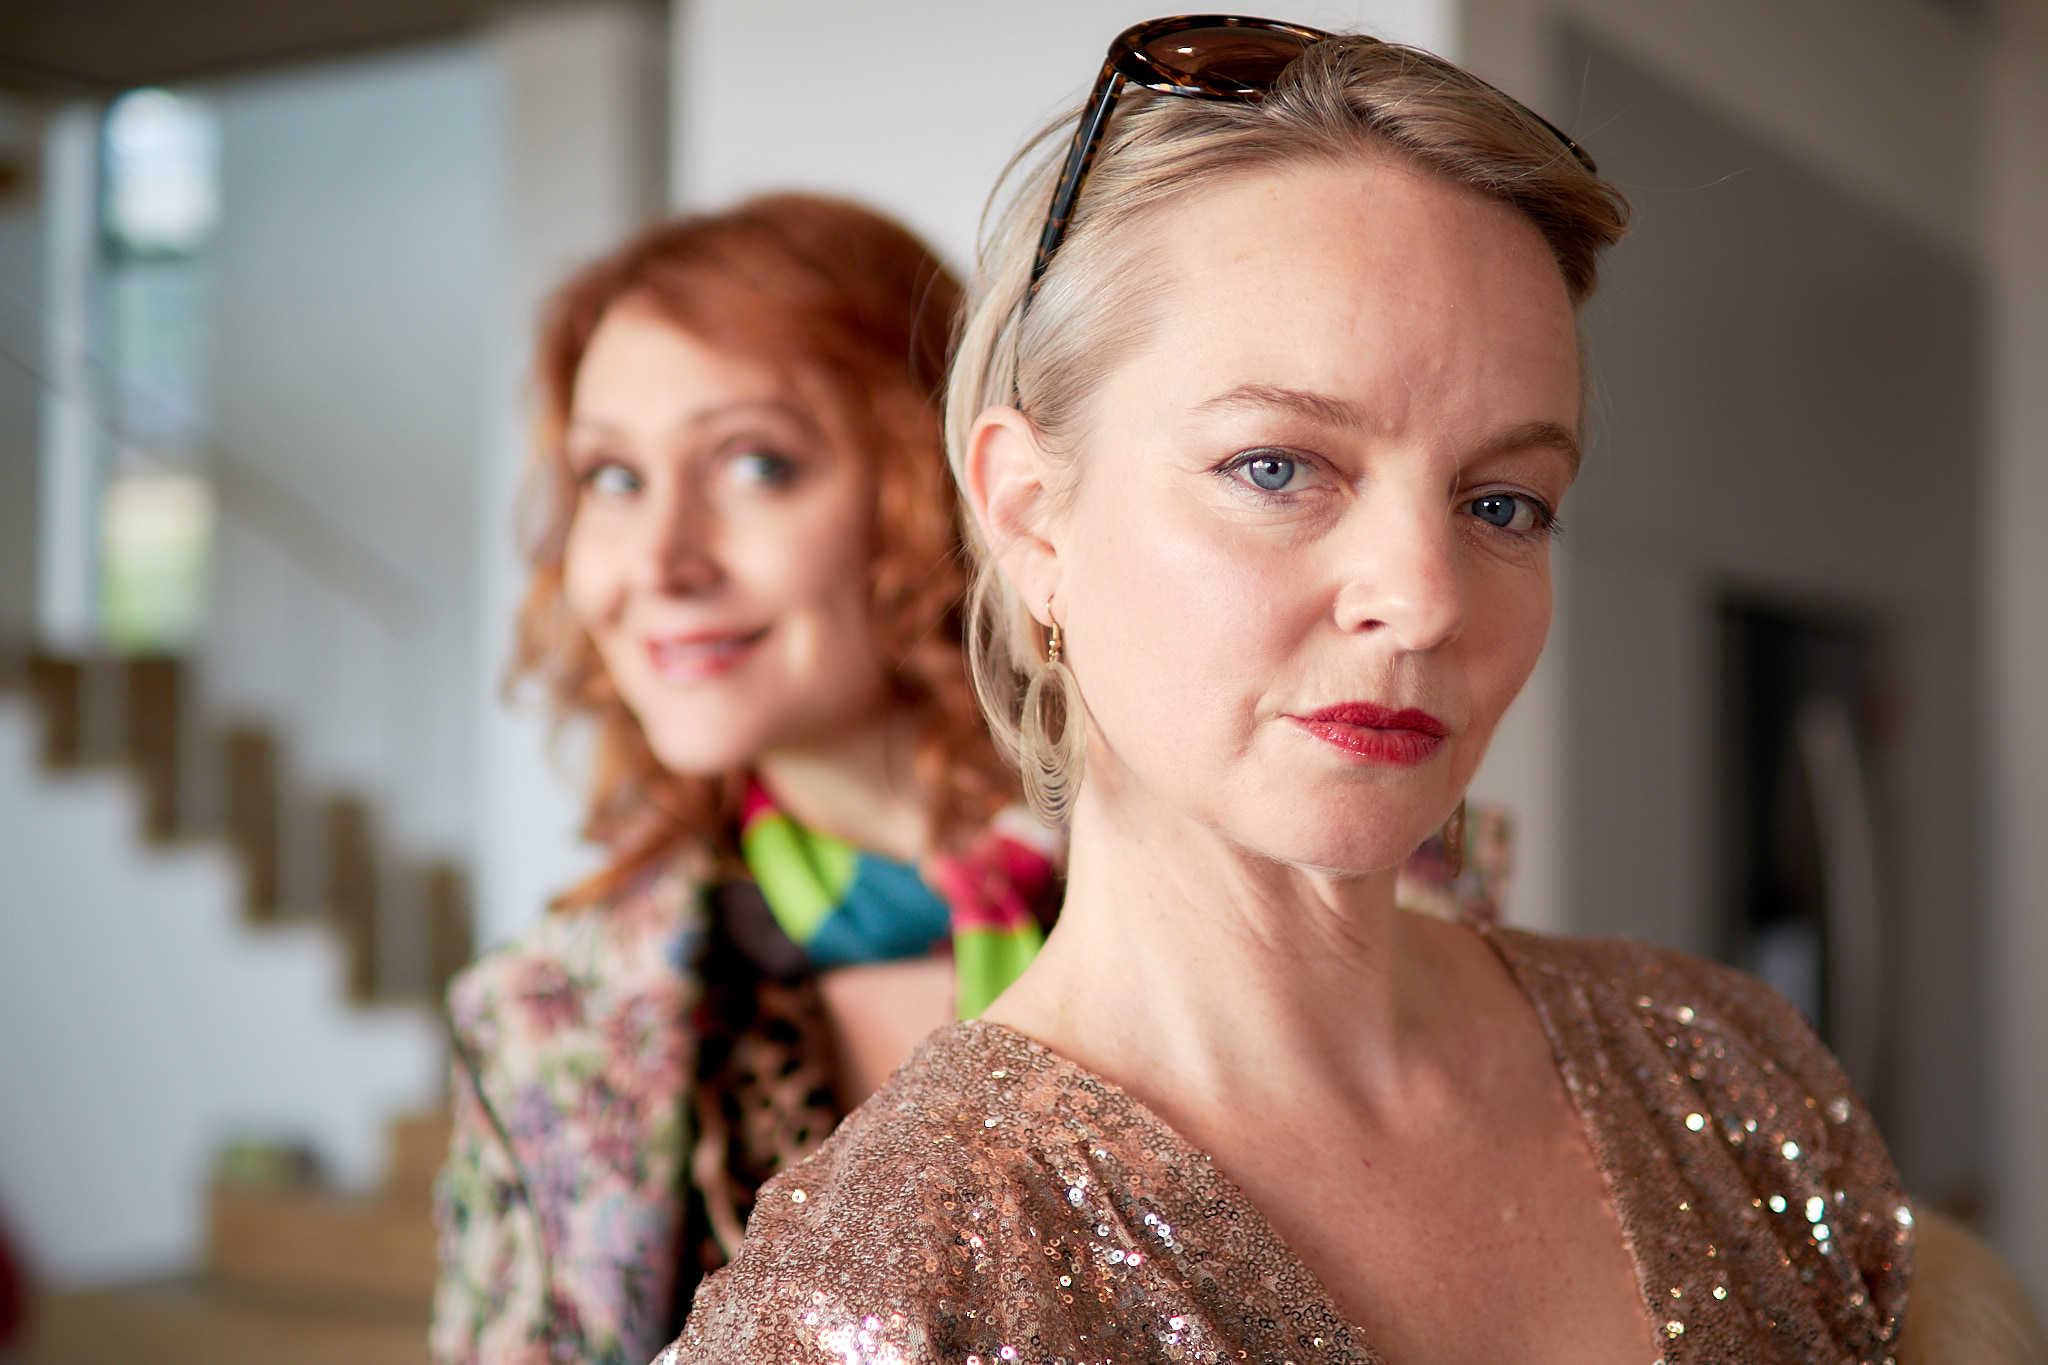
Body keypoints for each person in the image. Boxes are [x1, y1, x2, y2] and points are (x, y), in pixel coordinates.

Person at [656, 21, 2026, 1365]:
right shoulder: (890, 1298)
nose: (1423, 599)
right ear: (1028, 517)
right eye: (1276, 467)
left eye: (1502, 502)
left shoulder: (1722, 1072)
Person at [429, 195, 1067, 1365]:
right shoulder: (548, 1022)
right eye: (612, 478)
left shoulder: (1235, 891)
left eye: (754, 464)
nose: (661, 560)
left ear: (939, 482)